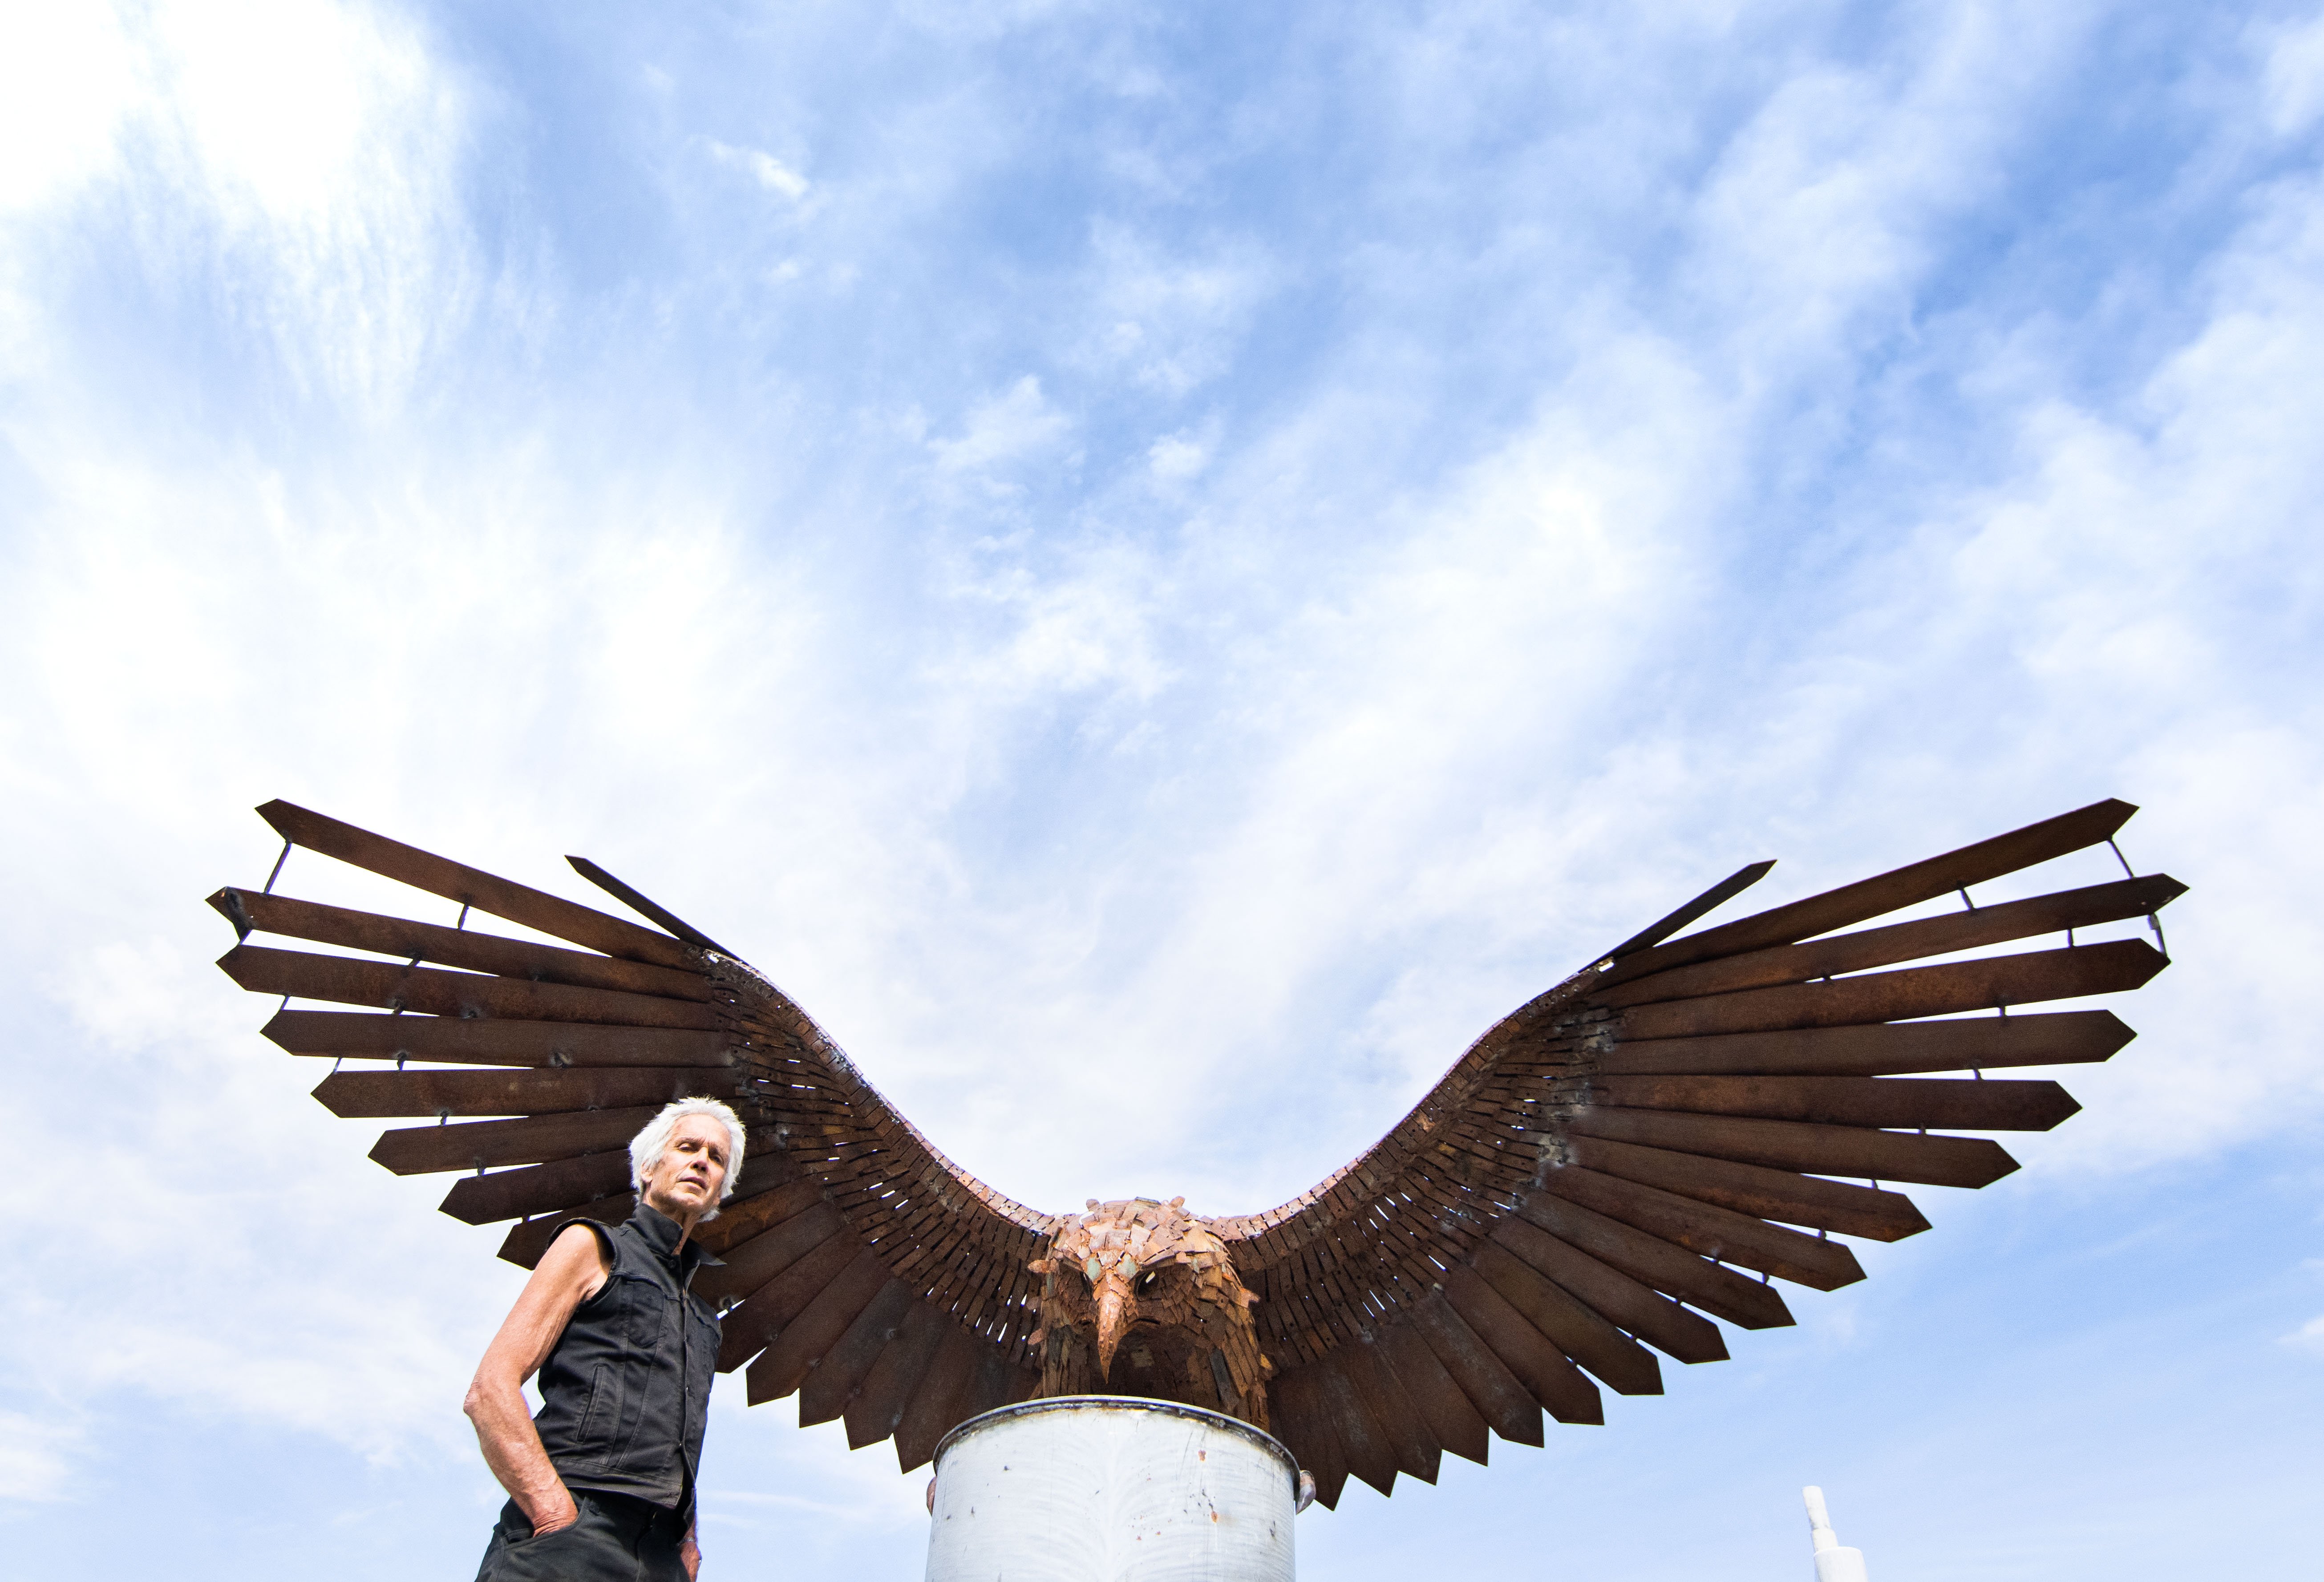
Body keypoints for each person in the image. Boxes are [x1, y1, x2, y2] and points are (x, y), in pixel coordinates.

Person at [464, 1096, 746, 1582]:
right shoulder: (593, 1248)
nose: (702, 1161)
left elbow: (679, 1440)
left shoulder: (704, 1320)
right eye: (687, 1147)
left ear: (719, 1193)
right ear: (648, 1167)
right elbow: (490, 1390)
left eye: (716, 1158)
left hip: (661, 1555)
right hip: (571, 1534)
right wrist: (554, 1514)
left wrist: (689, 1546)